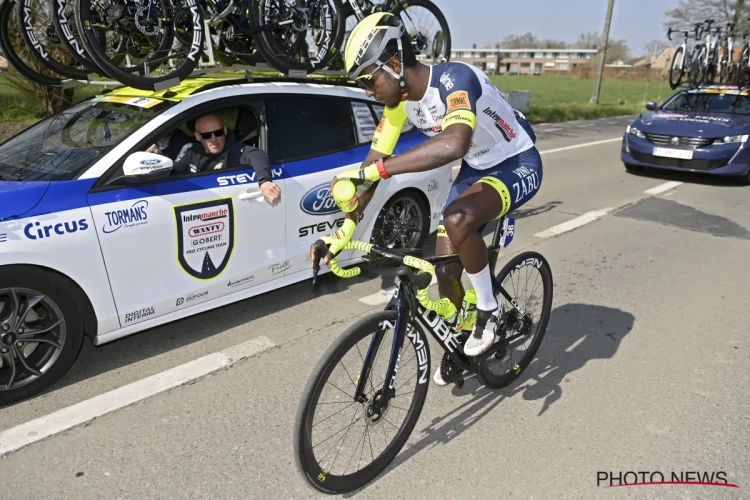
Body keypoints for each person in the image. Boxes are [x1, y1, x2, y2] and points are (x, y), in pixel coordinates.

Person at [309, 13, 544, 385]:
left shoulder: (456, 80)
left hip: (517, 162)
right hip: (477, 169)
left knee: (456, 218)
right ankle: (463, 342)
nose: (370, 92)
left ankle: (489, 310)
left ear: (395, 64)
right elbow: (368, 169)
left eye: (370, 81)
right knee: (446, 272)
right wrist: (341, 234)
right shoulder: (398, 105)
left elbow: (453, 144)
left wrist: (381, 170)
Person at [172, 113, 281, 204]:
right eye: (207, 135)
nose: (214, 139)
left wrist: (264, 181)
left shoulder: (234, 150)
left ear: (224, 130)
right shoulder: (191, 151)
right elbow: (174, 171)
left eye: (218, 133)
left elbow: (257, 155)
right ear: (197, 136)